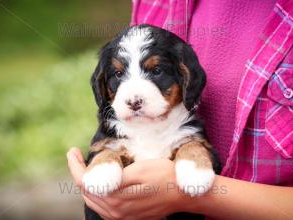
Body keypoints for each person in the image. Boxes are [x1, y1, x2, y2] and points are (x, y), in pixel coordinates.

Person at [67, 0, 293, 219]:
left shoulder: (187, 131)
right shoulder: (154, 3)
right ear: (102, 86)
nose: (134, 98)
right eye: (118, 74)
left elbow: (199, 159)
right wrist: (104, 160)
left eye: (156, 71)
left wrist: (191, 174)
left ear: (186, 78)